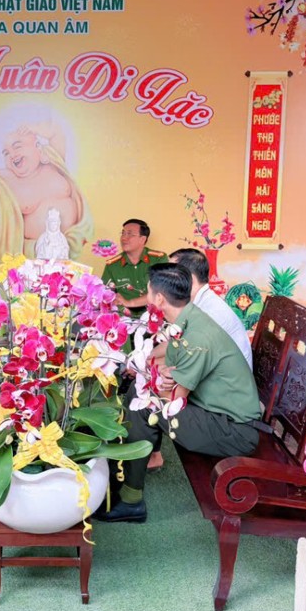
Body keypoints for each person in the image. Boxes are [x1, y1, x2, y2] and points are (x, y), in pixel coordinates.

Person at [95, 264, 261, 523]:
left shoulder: (198, 338)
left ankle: (131, 499)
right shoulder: (190, 316)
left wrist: (158, 380)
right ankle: (129, 470)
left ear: (160, 299)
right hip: (216, 413)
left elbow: (175, 398)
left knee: (144, 403)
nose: (147, 295)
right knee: (141, 391)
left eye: (148, 291)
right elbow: (170, 348)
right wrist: (142, 363)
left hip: (233, 430)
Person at [0, 124, 93, 260]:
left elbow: (56, 134)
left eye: (17, 146)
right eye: (6, 153)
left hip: (67, 245)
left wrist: (35, 129)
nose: (12, 155)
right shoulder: (8, 179)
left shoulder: (52, 162)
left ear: (38, 147)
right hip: (35, 253)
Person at [170, 247, 253, 368]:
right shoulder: (201, 301)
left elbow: (192, 360)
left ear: (189, 278)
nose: (167, 281)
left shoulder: (210, 312)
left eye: (171, 275)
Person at [100, 219, 168, 316]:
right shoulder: (112, 265)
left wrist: (130, 303)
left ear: (142, 239)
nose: (124, 238)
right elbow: (106, 296)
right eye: (123, 233)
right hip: (125, 320)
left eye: (130, 234)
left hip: (156, 318)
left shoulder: (159, 259)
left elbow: (162, 292)